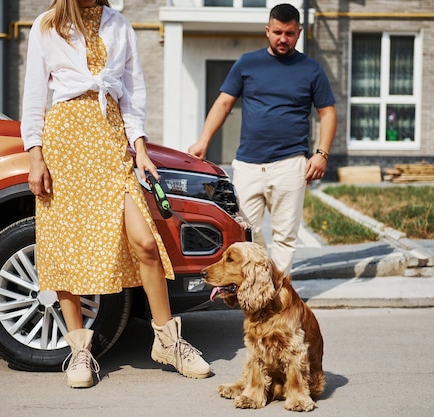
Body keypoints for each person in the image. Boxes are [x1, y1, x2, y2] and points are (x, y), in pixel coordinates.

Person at [21, 0, 210, 388]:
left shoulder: (119, 23)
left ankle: (168, 343)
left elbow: (133, 92)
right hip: (65, 142)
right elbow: (34, 99)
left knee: (144, 243)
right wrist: (35, 156)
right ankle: (78, 352)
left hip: (110, 140)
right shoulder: (45, 26)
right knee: (66, 244)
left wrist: (139, 147)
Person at [188, 3, 337, 276]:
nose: (283, 38)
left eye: (290, 33)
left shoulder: (311, 69)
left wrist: (322, 153)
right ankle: (260, 283)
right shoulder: (248, 63)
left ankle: (277, 295)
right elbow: (223, 103)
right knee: (246, 232)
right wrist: (203, 141)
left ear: (299, 33)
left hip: (291, 164)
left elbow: (327, 113)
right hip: (248, 164)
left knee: (285, 237)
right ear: (267, 31)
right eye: (278, 32)